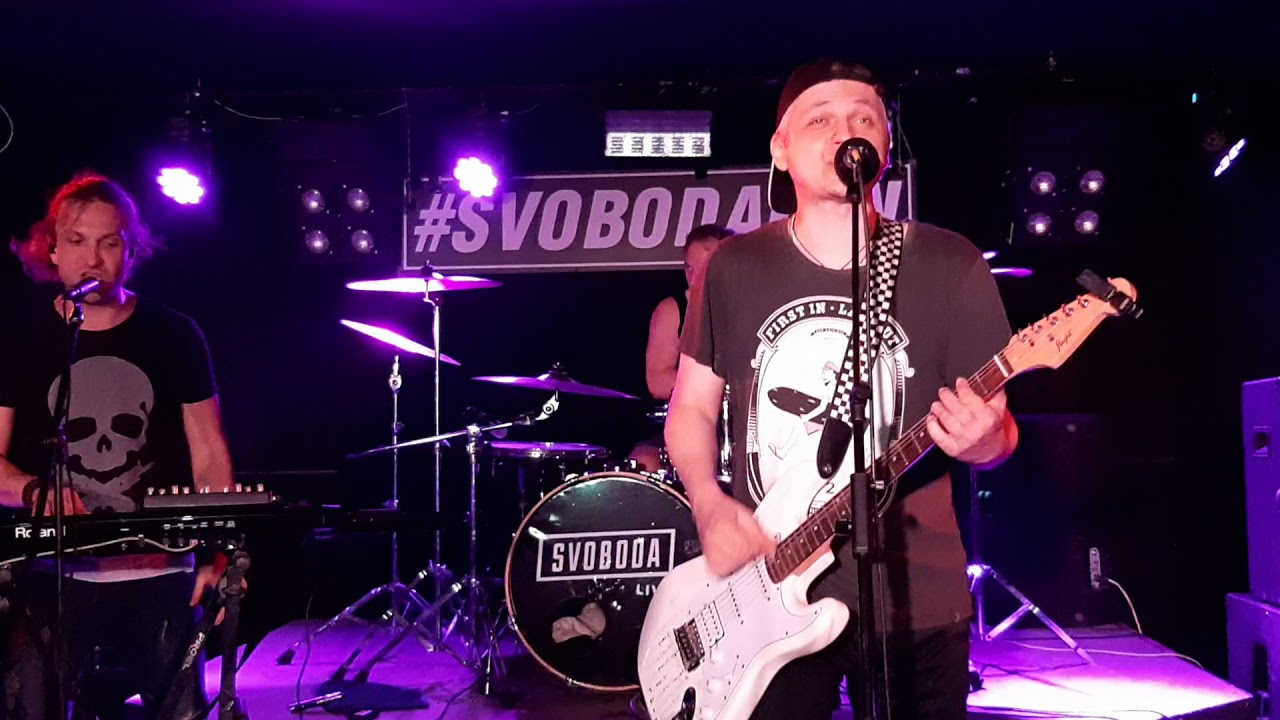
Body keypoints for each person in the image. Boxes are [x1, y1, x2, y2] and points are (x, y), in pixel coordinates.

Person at [665, 60, 1020, 720]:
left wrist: (985, 440)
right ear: (780, 148)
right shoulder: (735, 267)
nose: (845, 131)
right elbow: (690, 408)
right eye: (820, 119)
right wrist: (709, 506)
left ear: (883, 143)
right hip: (766, 587)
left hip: (916, 596)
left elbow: (1000, 434)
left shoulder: (949, 262)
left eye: (864, 118)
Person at [0, 173, 235, 718]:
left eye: (110, 242)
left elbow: (209, 452)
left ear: (131, 252)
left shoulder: (174, 334)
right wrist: (33, 490)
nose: (93, 259)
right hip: (51, 577)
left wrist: (218, 551)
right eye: (77, 241)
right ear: (52, 250)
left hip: (162, 573)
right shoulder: (20, 338)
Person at [628, 223, 732, 472]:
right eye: (689, 268)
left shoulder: (750, 308)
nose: (695, 277)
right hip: (689, 422)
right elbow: (657, 382)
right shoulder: (673, 309)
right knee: (644, 460)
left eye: (704, 267)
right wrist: (717, 386)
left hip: (745, 428)